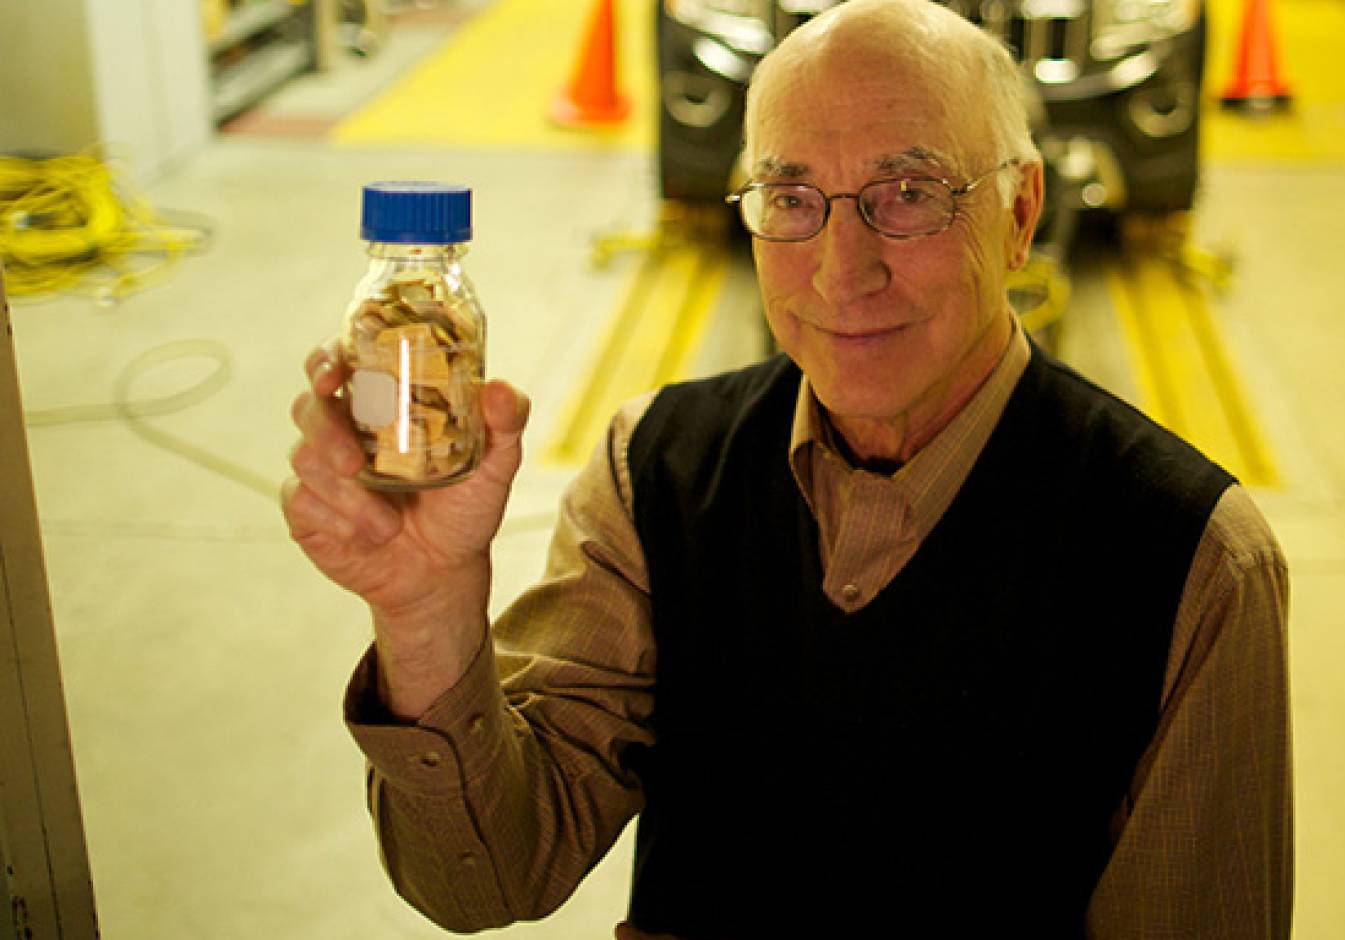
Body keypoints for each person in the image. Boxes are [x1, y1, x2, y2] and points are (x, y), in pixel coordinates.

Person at [282, 0, 1292, 936]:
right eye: (791, 197)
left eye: (911, 194)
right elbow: (485, 878)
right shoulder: (656, 474)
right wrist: (427, 614)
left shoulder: (1192, 562)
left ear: (1021, 212)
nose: (842, 271)